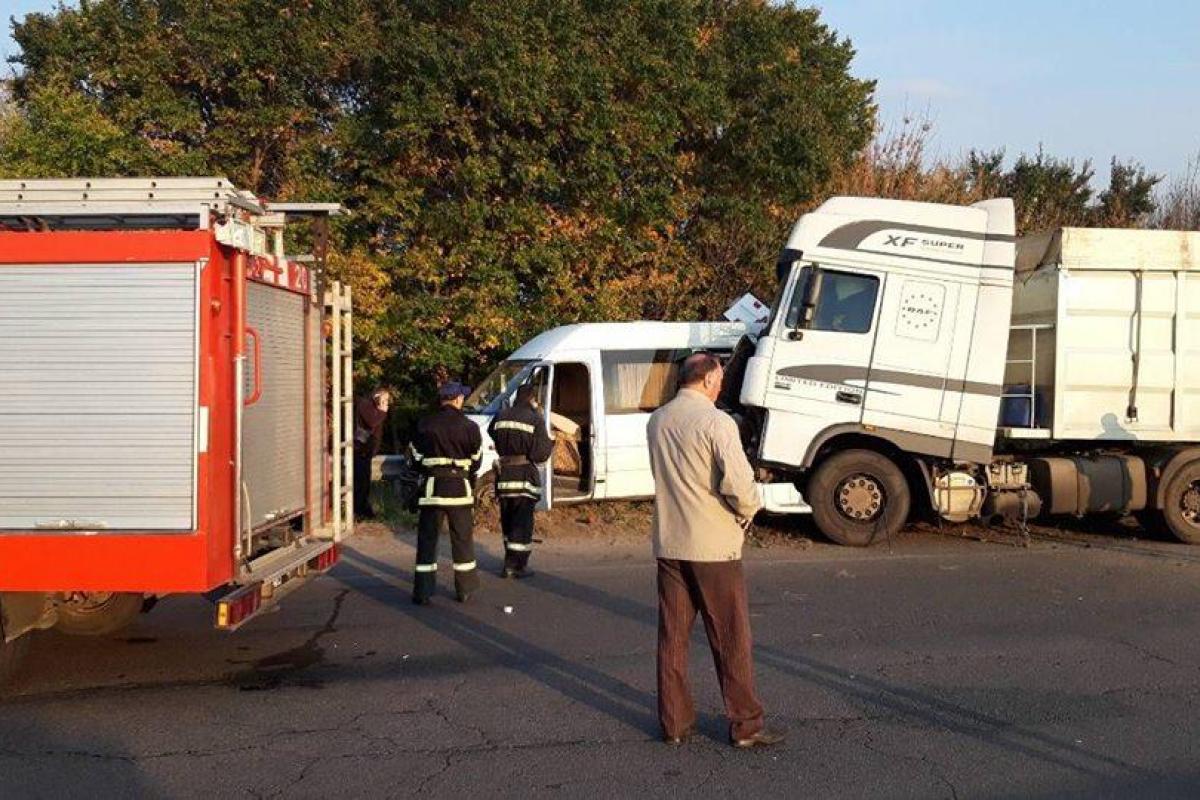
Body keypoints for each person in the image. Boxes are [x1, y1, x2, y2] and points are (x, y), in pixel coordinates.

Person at [646, 352, 785, 749]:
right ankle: (746, 724)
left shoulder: (658, 420)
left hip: (670, 541)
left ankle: (673, 723)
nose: (722, 384)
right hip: (713, 545)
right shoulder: (717, 421)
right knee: (730, 638)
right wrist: (748, 510)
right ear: (707, 380)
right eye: (720, 378)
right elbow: (740, 486)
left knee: (672, 636)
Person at [409, 381, 483, 605]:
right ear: (458, 399)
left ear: (442, 400)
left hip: (432, 489)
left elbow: (414, 459)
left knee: (427, 540)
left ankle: (422, 592)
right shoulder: (470, 427)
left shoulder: (425, 425)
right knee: (462, 540)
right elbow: (476, 461)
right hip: (460, 490)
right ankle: (465, 588)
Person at [488, 384, 555, 579]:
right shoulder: (535, 419)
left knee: (508, 521)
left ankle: (509, 560)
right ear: (532, 399)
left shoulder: (501, 415)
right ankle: (515, 566)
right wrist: (549, 443)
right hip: (523, 477)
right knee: (522, 523)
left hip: (504, 477)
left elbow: (493, 432)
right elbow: (540, 454)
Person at [353, 388, 391, 519]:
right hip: (360, 450)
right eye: (384, 399)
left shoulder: (374, 407)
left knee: (364, 483)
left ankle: (363, 510)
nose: (386, 403)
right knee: (361, 483)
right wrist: (382, 411)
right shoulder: (366, 405)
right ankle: (359, 510)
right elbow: (372, 421)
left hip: (367, 451)